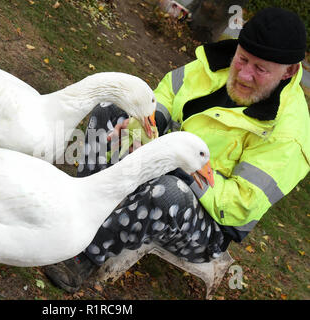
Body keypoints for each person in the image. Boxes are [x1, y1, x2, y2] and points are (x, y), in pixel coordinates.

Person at [43, 7, 310, 293]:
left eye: (260, 69)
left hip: (206, 224)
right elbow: (167, 93)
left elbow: (238, 208)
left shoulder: (290, 136)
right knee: (113, 111)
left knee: (169, 191)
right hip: (166, 156)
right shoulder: (216, 61)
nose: (244, 74)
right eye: (242, 59)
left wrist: (175, 164)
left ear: (290, 71)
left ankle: (84, 255)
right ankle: (82, 208)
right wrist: (149, 121)